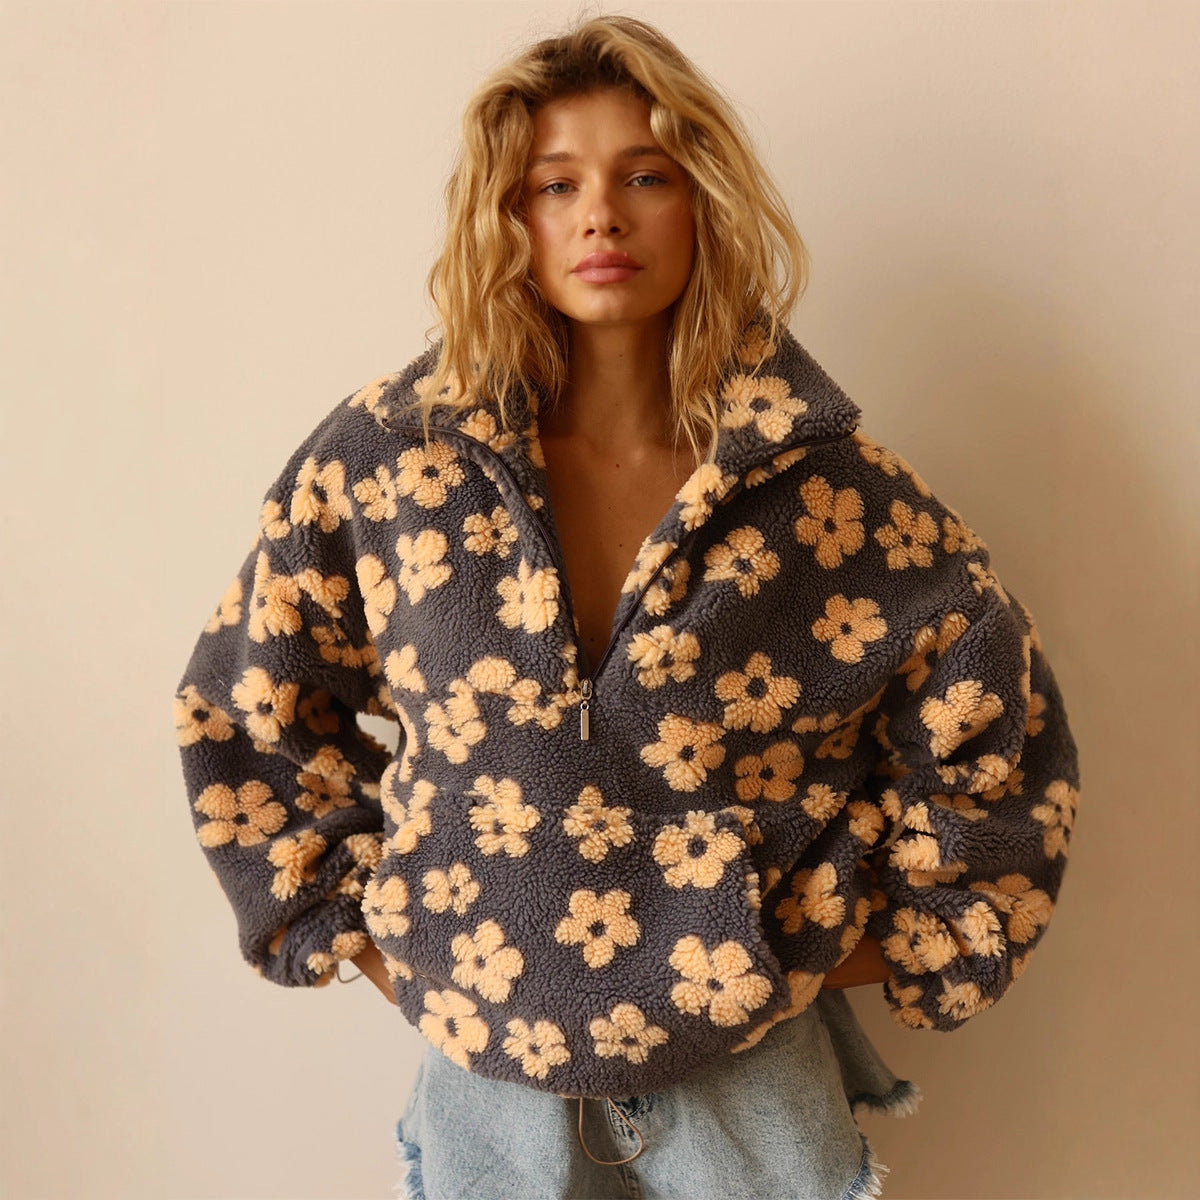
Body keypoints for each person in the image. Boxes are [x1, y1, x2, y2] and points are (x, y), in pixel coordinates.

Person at [172, 15, 1081, 1200]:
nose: (601, 215)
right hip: (489, 1088)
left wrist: (779, 957)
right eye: (556, 184)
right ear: (510, 216)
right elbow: (249, 713)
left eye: (645, 176)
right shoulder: (393, 462)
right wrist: (405, 954)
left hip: (754, 1087)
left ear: (700, 200)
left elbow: (1000, 749)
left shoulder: (824, 491)